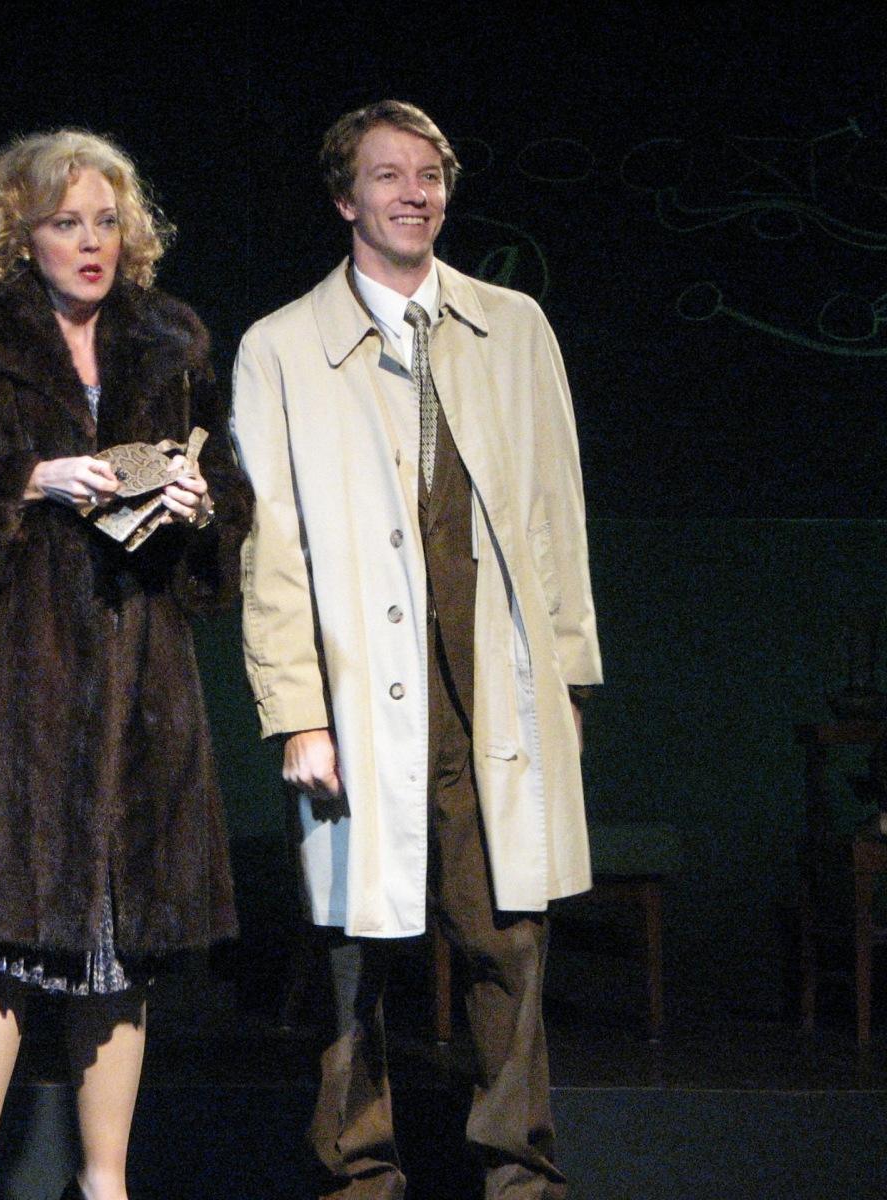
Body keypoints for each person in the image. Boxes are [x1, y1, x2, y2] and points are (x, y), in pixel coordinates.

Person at [0, 129, 251, 1200]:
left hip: (139, 684)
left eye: (106, 222)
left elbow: (229, 495)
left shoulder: (169, 343)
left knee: (118, 955)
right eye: (65, 222)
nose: (91, 243)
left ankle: (104, 1182)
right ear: (22, 235)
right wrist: (29, 480)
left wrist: (202, 505)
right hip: (10, 684)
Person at [231, 100, 601, 1200]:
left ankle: (520, 1174)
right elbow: (272, 548)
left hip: (491, 686)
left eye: (429, 174)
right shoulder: (282, 348)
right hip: (359, 700)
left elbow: (557, 515)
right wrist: (297, 711)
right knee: (354, 950)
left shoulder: (512, 327)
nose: (413, 193)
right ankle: (358, 1174)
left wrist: (570, 680)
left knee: (507, 940)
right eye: (387, 175)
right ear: (345, 198)